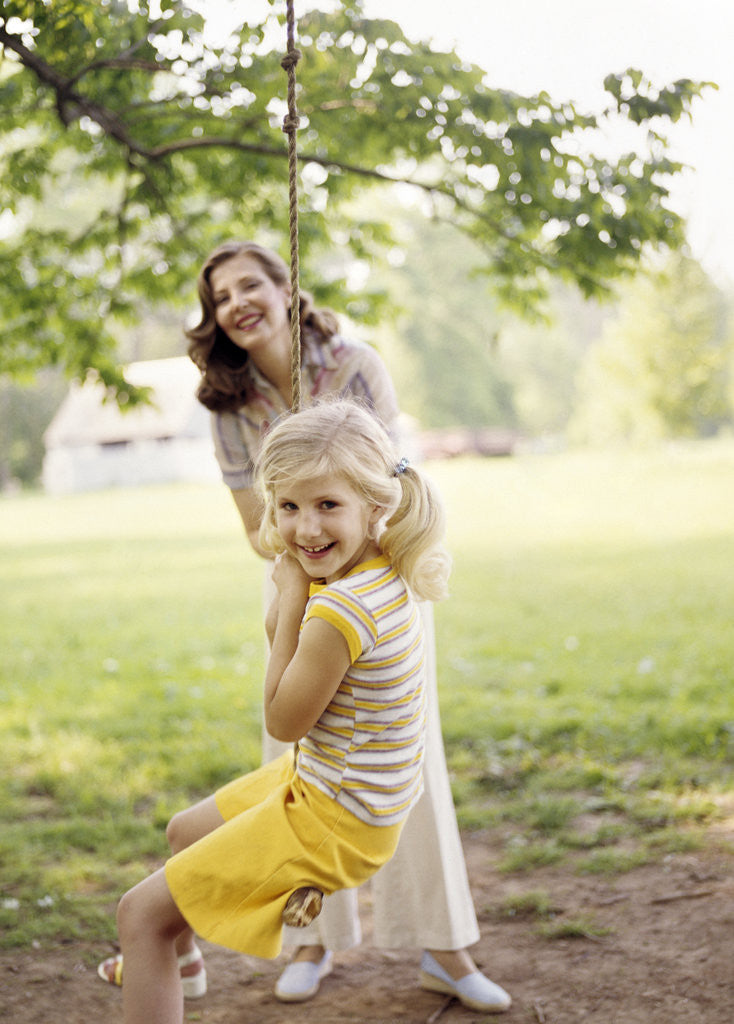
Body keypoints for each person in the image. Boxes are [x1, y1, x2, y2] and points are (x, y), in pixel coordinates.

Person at [187, 241, 511, 1012]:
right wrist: (298, 573)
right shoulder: (228, 406)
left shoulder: (355, 363)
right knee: (300, 760)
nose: (237, 301)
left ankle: (446, 948)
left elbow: (389, 486)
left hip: (380, 578)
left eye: (251, 284)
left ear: (285, 286)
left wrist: (345, 550)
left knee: (407, 762)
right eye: (221, 295)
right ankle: (309, 939)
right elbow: (257, 526)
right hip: (301, 584)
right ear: (216, 318)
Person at [101, 399, 450, 1023]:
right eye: (288, 506)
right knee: (184, 833)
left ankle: (155, 951)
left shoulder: (337, 611)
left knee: (140, 915)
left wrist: (287, 601)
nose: (306, 530)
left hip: (337, 815)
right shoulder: (386, 564)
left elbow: (283, 722)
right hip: (340, 786)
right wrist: (302, 594)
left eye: (327, 505)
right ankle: (179, 966)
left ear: (376, 504)